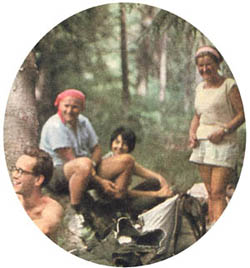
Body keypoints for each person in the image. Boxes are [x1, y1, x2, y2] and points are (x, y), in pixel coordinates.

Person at [188, 45, 245, 227]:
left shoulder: (229, 85)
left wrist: (224, 130)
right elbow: (197, 115)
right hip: (202, 145)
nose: (205, 69)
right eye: (201, 66)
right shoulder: (199, 88)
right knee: (211, 192)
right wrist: (191, 133)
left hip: (224, 143)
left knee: (219, 192)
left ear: (217, 63)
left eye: (208, 64)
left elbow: (242, 114)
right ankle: (211, 226)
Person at [94, 126, 173, 218]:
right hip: (110, 206)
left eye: (124, 144)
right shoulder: (107, 161)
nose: (119, 147)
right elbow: (122, 193)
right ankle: (130, 219)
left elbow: (147, 173)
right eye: (117, 142)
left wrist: (161, 180)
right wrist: (157, 194)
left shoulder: (126, 161)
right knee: (154, 198)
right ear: (112, 143)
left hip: (124, 200)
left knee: (155, 183)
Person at [12, 147, 63, 240]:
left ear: (38, 180)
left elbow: (44, 228)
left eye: (21, 171)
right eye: (15, 169)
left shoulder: (51, 207)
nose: (14, 175)